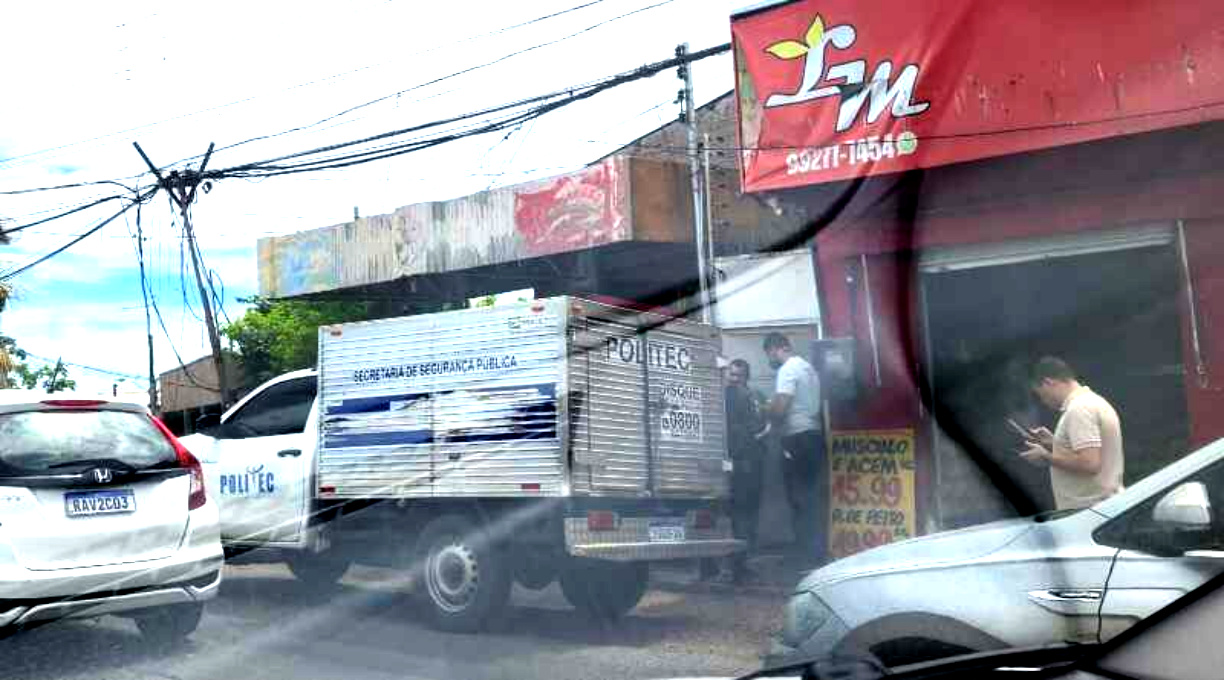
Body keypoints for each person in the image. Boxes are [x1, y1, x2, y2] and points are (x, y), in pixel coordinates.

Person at [1019, 356, 1124, 510]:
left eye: (1040, 394)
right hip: (1102, 506)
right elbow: (1091, 454)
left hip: (1091, 510)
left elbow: (1090, 464)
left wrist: (1046, 457)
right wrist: (1054, 443)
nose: (1042, 400)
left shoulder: (1079, 409)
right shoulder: (1092, 401)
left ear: (1049, 382)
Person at [702, 358, 770, 583]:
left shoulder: (736, 396)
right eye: (731, 375)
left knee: (727, 514)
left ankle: (716, 567)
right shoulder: (743, 396)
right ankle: (736, 568)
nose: (733, 379)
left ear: (746, 377)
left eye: (737, 375)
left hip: (737, 462)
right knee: (740, 516)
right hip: (740, 463)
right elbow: (759, 428)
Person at [763, 332, 827, 566]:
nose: (770, 360)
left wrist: (765, 408)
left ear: (775, 348)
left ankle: (805, 557)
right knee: (813, 498)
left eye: (769, 354)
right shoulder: (809, 369)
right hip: (814, 435)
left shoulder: (787, 369)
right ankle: (817, 553)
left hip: (797, 438)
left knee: (798, 498)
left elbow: (781, 408)